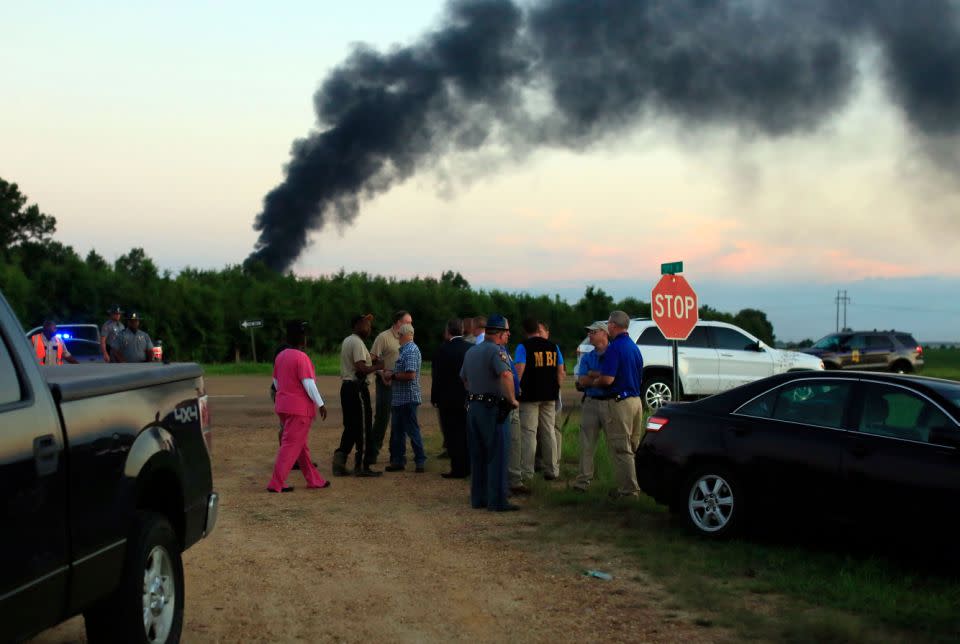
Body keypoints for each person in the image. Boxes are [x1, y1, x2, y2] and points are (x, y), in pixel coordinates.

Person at [460, 314, 520, 512]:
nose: (509, 335)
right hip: (492, 408)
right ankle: (498, 501)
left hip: (473, 407)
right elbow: (505, 374)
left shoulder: (472, 351)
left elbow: (464, 379)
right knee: (497, 454)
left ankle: (479, 498)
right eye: (507, 331)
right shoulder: (497, 352)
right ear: (500, 334)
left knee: (477, 455)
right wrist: (511, 399)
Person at [266, 321, 330, 493]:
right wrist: (321, 404)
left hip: (283, 406)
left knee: (300, 446)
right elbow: (309, 384)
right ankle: (276, 483)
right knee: (290, 445)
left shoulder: (281, 356)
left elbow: (276, 382)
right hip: (299, 410)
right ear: (303, 339)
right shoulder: (302, 358)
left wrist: (287, 395)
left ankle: (314, 479)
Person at [588, 310, 644, 498]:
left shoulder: (614, 347)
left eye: (608, 324)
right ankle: (637, 485)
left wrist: (594, 382)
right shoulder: (633, 347)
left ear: (612, 325)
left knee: (621, 448)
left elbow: (608, 380)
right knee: (633, 446)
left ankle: (628, 491)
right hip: (636, 401)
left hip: (621, 403)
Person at [514, 317, 565, 483]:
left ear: (525, 331)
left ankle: (527, 472)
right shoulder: (553, 347)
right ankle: (552, 469)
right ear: (538, 329)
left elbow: (519, 369)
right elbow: (560, 372)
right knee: (549, 431)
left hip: (529, 396)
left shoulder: (523, 347)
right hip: (549, 395)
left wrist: (515, 389)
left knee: (529, 433)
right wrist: (556, 388)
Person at [333, 314, 384, 477]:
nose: (368, 327)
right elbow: (360, 368)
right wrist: (378, 366)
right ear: (355, 325)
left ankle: (339, 462)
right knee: (363, 427)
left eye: (369, 324)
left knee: (351, 427)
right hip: (357, 388)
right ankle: (362, 466)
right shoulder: (356, 342)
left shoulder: (349, 340)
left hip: (347, 388)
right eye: (364, 323)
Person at [431, 318, 472, 478]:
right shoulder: (471, 348)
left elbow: (437, 377)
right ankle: (469, 466)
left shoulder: (442, 350)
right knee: (466, 432)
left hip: (447, 399)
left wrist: (435, 397)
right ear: (462, 330)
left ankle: (457, 468)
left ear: (448, 331)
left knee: (452, 434)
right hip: (467, 397)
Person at [370, 310, 412, 463]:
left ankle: (396, 454)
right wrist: (381, 373)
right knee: (382, 418)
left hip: (401, 383)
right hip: (385, 383)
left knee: (399, 419)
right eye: (408, 322)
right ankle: (372, 453)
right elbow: (372, 360)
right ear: (398, 323)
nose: (410, 325)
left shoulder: (408, 338)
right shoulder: (383, 337)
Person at [384, 323, 427, 472]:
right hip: (400, 398)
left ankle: (420, 460)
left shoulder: (410, 351)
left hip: (407, 398)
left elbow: (411, 375)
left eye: (400, 335)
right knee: (398, 431)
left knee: (411, 430)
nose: (398, 338)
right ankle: (398, 461)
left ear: (407, 335)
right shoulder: (406, 351)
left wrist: (392, 375)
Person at [573, 321, 611, 491]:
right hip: (591, 402)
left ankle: (619, 484)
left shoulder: (614, 353)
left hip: (611, 403)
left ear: (604, 333)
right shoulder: (588, 356)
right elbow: (581, 380)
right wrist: (601, 378)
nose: (589, 335)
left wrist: (593, 375)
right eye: (588, 332)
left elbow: (612, 380)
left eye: (593, 332)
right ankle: (583, 482)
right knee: (586, 444)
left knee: (616, 445)